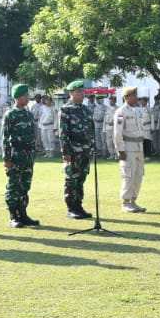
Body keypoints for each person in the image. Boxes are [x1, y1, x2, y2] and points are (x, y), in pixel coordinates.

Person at [2, 84, 41, 227]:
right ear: (17, 97)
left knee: (25, 185)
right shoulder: (10, 115)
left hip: (28, 155)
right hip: (16, 155)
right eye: (25, 95)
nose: (27, 98)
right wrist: (7, 158)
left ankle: (23, 213)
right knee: (14, 185)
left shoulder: (28, 114)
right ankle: (13, 215)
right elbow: (5, 138)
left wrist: (33, 153)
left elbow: (33, 135)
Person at [59, 80, 95, 219]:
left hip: (85, 151)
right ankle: (71, 207)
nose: (82, 94)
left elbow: (91, 130)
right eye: (79, 91)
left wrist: (92, 145)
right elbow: (63, 133)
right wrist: (65, 152)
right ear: (71, 93)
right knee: (71, 180)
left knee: (81, 179)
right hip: (73, 151)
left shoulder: (86, 110)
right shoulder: (65, 110)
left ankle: (78, 205)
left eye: (83, 91)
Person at [112, 86, 148, 213]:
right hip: (128, 147)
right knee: (128, 175)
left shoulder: (138, 111)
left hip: (139, 146)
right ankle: (126, 202)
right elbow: (117, 133)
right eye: (132, 95)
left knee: (138, 175)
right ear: (126, 97)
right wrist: (120, 150)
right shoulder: (121, 112)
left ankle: (133, 200)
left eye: (136, 95)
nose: (135, 97)